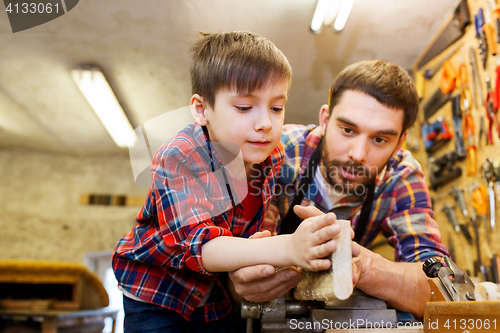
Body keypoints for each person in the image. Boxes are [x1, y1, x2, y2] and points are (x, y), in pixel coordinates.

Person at [112, 31, 344, 333]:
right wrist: (287, 247)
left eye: (276, 108)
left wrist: (267, 247)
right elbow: (201, 246)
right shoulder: (180, 156)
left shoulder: (271, 156)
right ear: (201, 109)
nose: (265, 123)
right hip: (157, 292)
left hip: (213, 295)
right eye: (245, 108)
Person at [229, 60, 449, 319]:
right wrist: (244, 275)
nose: (358, 155)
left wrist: (362, 266)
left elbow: (440, 288)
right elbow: (240, 254)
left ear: (400, 142)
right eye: (347, 130)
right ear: (325, 119)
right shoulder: (278, 153)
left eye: (379, 139)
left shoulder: (401, 177)